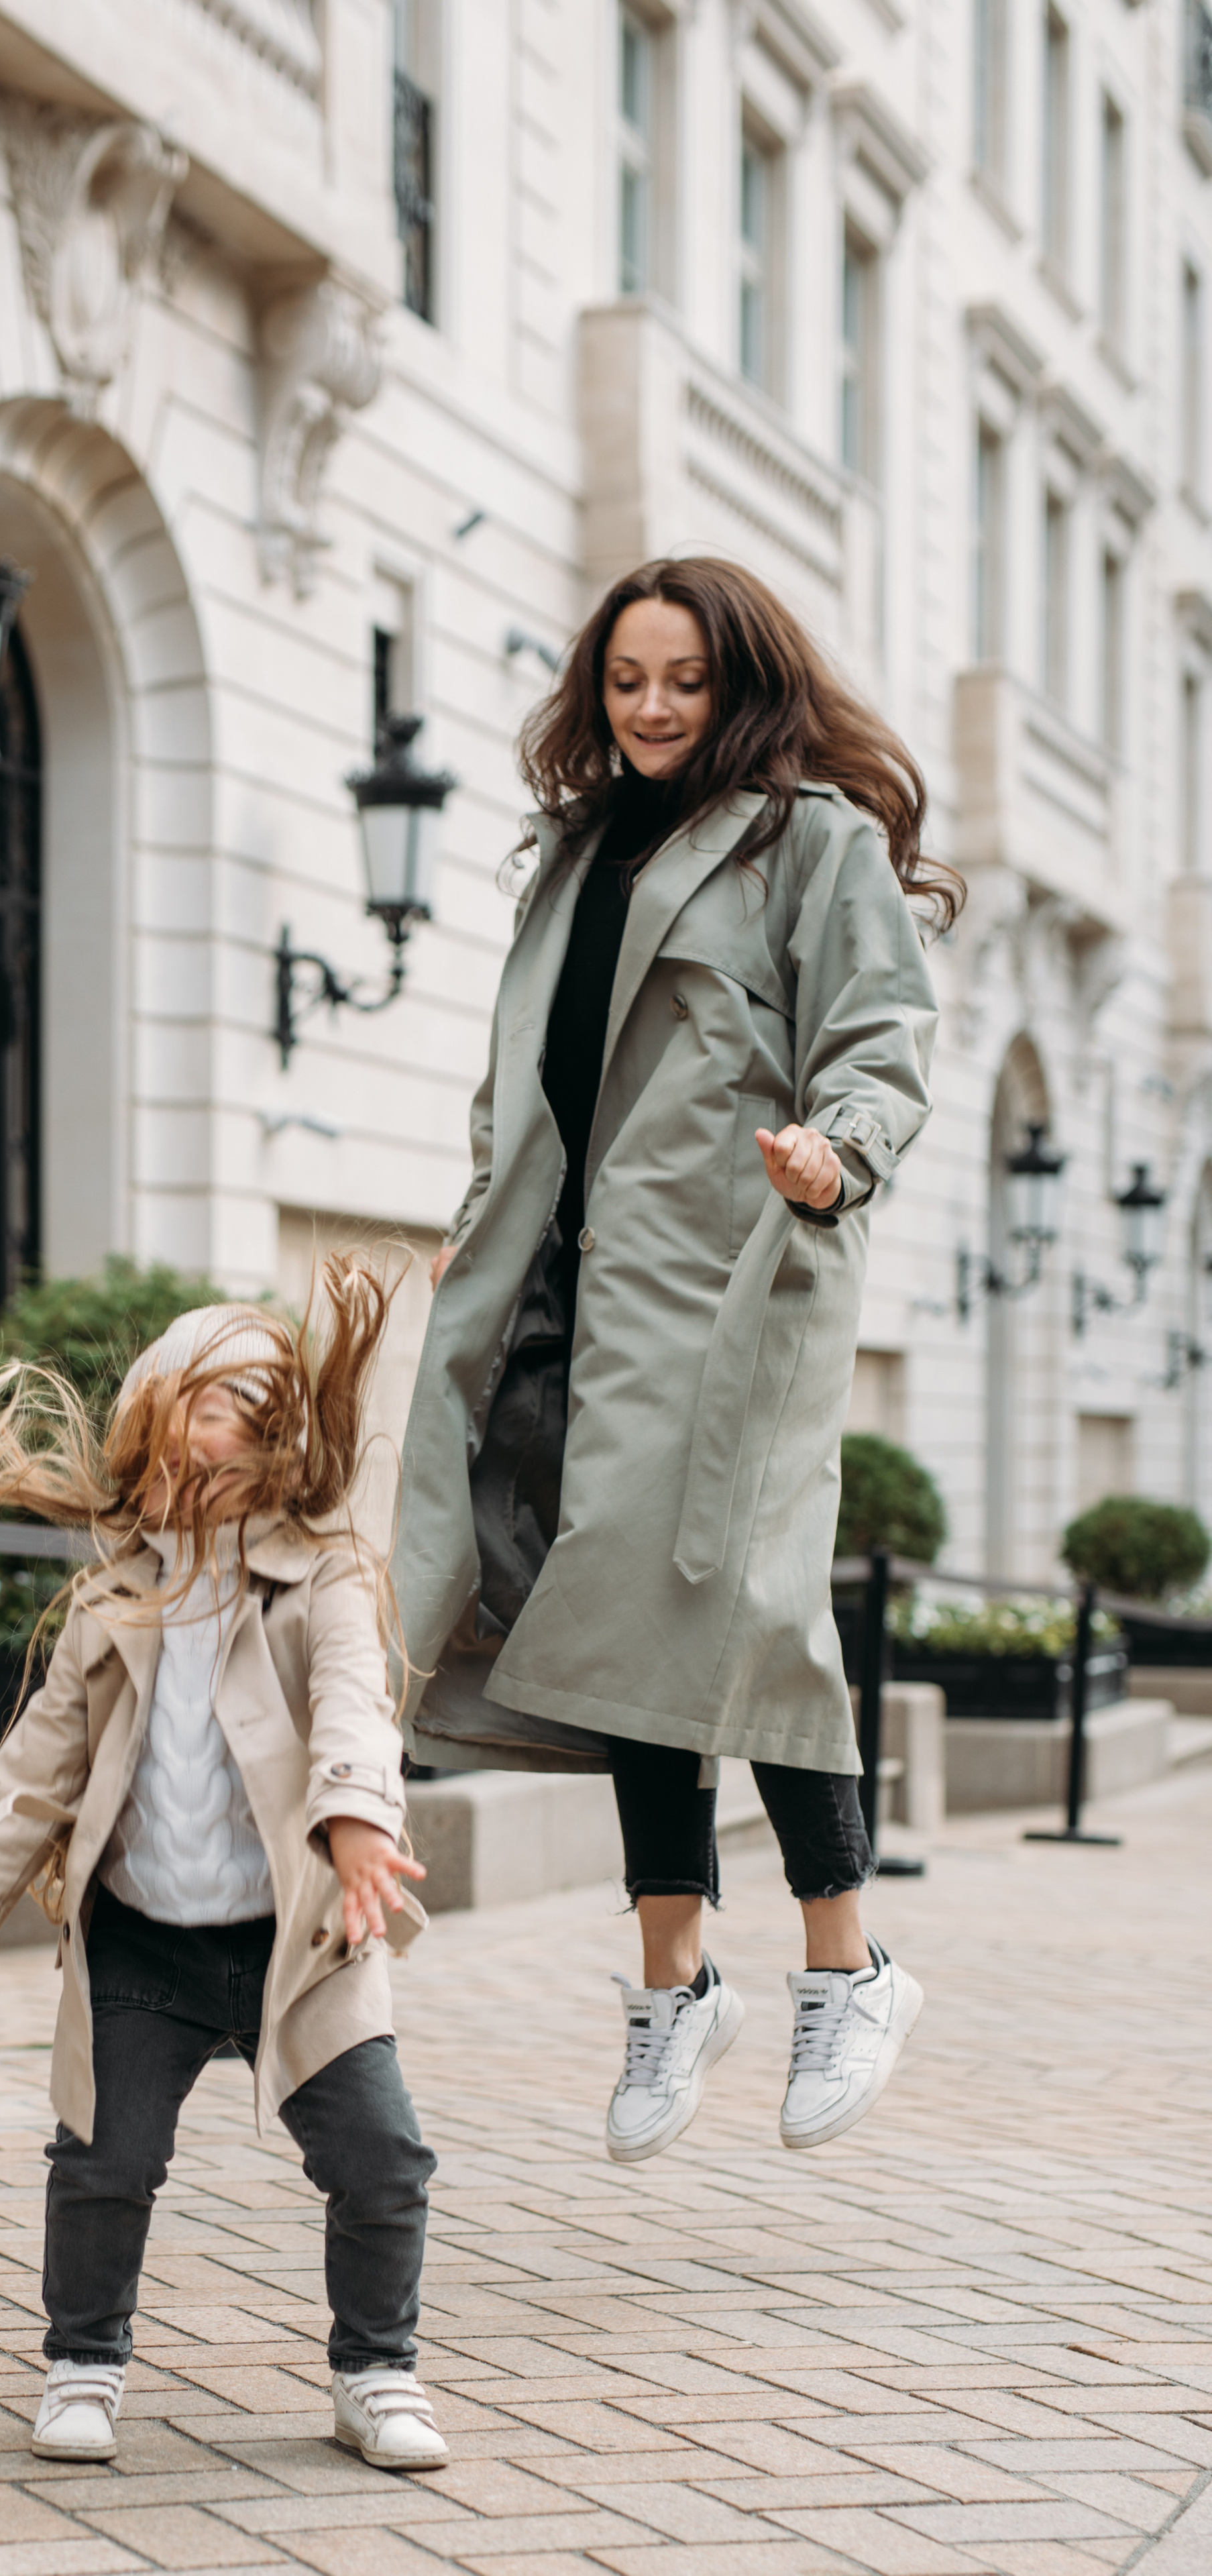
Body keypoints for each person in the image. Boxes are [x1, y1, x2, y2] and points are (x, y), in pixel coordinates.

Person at [394, 557, 958, 2166]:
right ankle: (671, 1979)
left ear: (739, 689)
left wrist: (831, 1155)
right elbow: (528, 1080)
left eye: (682, 682)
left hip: (730, 1275)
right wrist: (478, 1223)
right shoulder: (571, 856)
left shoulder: (812, 844)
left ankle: (846, 1963)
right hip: (557, 1284)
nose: (648, 707)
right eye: (625, 679)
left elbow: (879, 1040)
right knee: (617, 1598)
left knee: (741, 1603)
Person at [0, 1267, 448, 2474]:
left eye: (255, 1408)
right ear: (151, 1424)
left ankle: (377, 2373)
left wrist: (356, 1825)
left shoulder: (325, 1576)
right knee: (105, 2160)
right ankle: (83, 2363)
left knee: (383, 2159)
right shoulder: (111, 1600)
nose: (227, 1435)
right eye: (206, 1407)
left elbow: (354, 1705)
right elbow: (30, 1777)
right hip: (144, 1944)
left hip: (297, 1937)